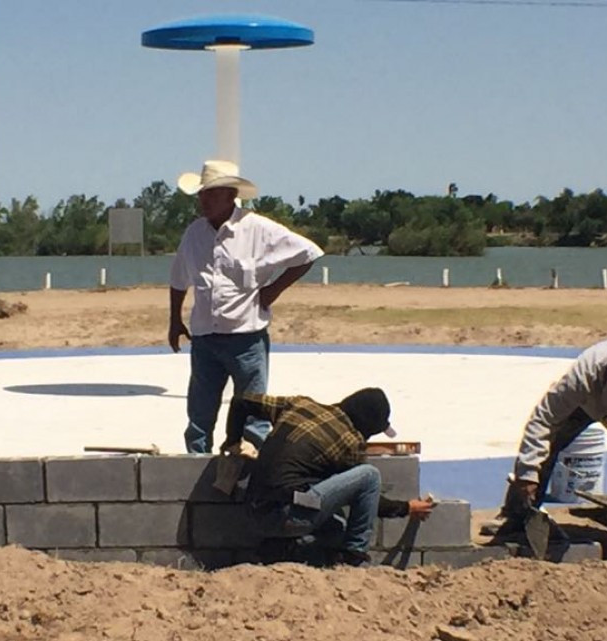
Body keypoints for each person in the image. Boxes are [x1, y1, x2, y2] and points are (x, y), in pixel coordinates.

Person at [484, 339, 607, 563]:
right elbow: (543, 420)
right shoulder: (585, 374)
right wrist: (528, 472)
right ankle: (517, 517)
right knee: (545, 448)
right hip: (588, 403)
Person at [168, 160, 323, 454]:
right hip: (204, 338)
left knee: (254, 415)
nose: (204, 200)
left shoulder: (258, 229)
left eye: (211, 194)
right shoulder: (194, 234)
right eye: (202, 194)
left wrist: (273, 290)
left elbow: (309, 252)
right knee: (199, 415)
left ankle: (254, 473)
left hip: (246, 338)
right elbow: (178, 279)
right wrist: (174, 320)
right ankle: (195, 468)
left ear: (230, 195)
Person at [223, 387, 436, 566]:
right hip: (288, 515)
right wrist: (407, 508)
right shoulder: (350, 441)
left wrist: (233, 440)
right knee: (369, 476)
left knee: (336, 529)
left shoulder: (300, 405)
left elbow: (242, 400)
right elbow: (368, 499)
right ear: (367, 425)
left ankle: (278, 549)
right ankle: (354, 554)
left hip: (251, 510)